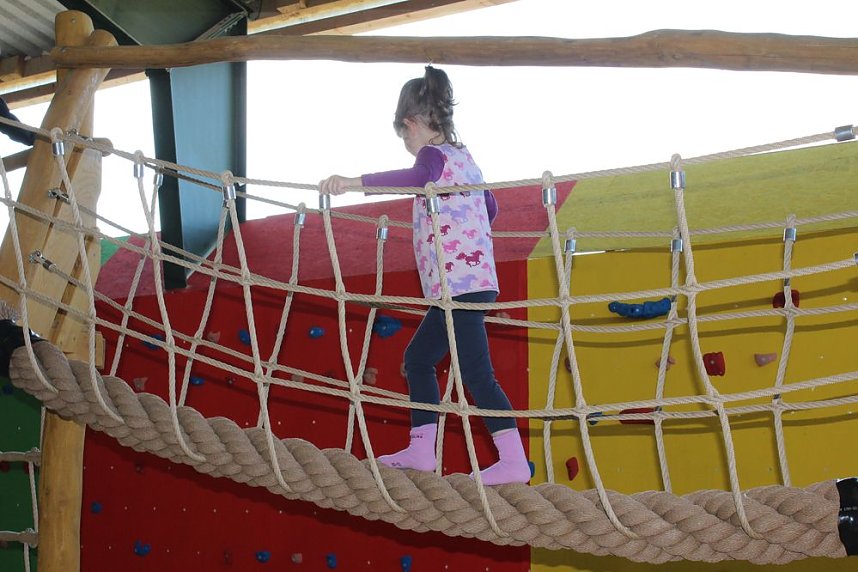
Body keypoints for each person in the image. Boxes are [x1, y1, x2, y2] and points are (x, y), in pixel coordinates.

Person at [319, 66, 529, 486]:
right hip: (465, 286)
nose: (408, 145)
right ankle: (421, 449)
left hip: (461, 286)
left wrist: (353, 182)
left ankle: (513, 460)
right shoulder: (466, 159)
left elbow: (416, 177)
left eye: (404, 136)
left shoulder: (431, 158)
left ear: (411, 124)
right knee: (417, 359)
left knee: (476, 375)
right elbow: (490, 208)